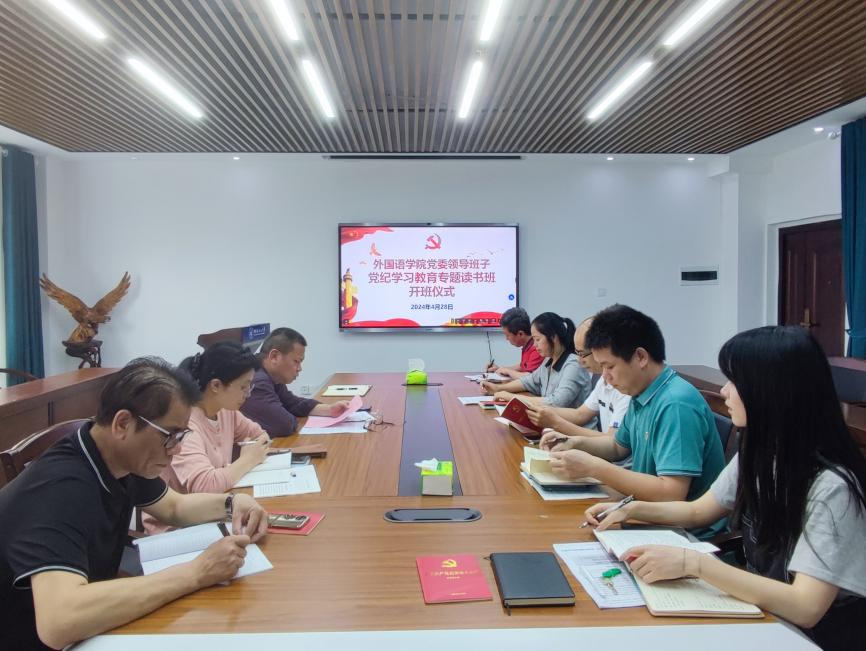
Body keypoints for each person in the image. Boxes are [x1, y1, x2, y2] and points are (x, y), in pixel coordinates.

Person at [584, 326, 866, 649]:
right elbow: (699, 510)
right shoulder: (762, 452)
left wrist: (693, 563)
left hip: (815, 637)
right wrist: (630, 509)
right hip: (765, 615)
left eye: (734, 382)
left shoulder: (833, 487)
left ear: (771, 391)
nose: (724, 391)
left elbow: (806, 606)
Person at [0, 357, 269, 650]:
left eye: (182, 435)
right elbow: (59, 621)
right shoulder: (60, 487)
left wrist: (233, 503)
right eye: (170, 435)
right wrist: (196, 573)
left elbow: (174, 507)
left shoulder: (117, 457)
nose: (176, 448)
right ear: (123, 423)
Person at [539, 304, 724, 536]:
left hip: (684, 534)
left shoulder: (675, 404)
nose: (605, 377)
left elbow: (671, 493)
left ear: (640, 357)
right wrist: (573, 442)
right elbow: (618, 446)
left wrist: (594, 467)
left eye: (609, 366)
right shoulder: (641, 392)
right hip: (645, 514)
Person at [143, 342, 271, 533]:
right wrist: (248, 459)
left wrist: (240, 463)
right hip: (177, 527)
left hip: (213, 511)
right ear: (216, 385)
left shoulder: (226, 411)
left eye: (250, 386)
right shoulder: (185, 423)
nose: (248, 394)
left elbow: (261, 436)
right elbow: (206, 486)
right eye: (243, 387)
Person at [526, 316, 630, 444]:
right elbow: (580, 414)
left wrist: (555, 423)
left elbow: (613, 443)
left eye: (582, 354)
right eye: (577, 353)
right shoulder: (603, 380)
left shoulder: (626, 388)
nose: (580, 361)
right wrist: (541, 411)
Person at [240, 327, 350, 436]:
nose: (299, 368)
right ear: (274, 356)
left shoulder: (272, 375)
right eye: (296, 361)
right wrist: (289, 415)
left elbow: (292, 403)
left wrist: (329, 409)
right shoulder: (257, 380)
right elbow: (284, 425)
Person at [481, 312, 591, 409]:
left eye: (537, 339)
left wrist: (511, 397)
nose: (534, 345)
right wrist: (498, 388)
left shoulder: (574, 365)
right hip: (552, 422)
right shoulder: (548, 361)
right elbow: (529, 381)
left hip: (572, 426)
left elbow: (556, 402)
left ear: (553, 337)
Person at [484, 307, 544, 379]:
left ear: (520, 334)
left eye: (507, 335)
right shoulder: (527, 345)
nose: (506, 339)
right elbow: (522, 366)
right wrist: (499, 369)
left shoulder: (536, 348)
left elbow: (530, 378)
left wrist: (508, 371)